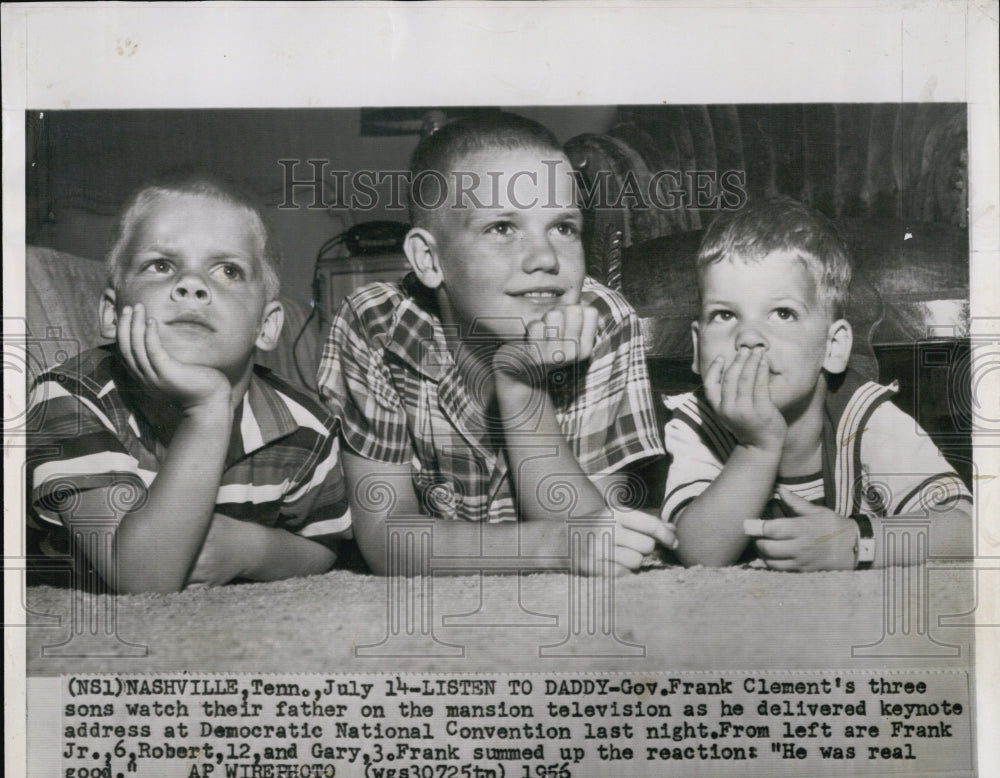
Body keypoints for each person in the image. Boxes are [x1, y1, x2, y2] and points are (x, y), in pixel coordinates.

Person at [318, 113, 674, 576]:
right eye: (503, 227)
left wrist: (521, 384)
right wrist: (550, 545)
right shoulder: (376, 325)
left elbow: (598, 537)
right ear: (429, 259)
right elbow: (387, 538)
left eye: (564, 227)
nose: (545, 258)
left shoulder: (602, 318)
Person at [27, 169, 351, 593]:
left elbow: (326, 546)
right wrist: (208, 409)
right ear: (111, 314)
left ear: (267, 326)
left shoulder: (306, 428)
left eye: (228, 271)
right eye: (161, 265)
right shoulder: (69, 401)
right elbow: (142, 579)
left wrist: (253, 549)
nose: (192, 285)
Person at [661, 196, 972, 570]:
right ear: (697, 348)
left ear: (833, 346)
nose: (748, 336)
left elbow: (965, 528)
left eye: (782, 313)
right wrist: (756, 446)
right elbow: (698, 553)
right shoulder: (698, 423)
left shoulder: (864, 416)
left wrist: (857, 543)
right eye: (724, 314)